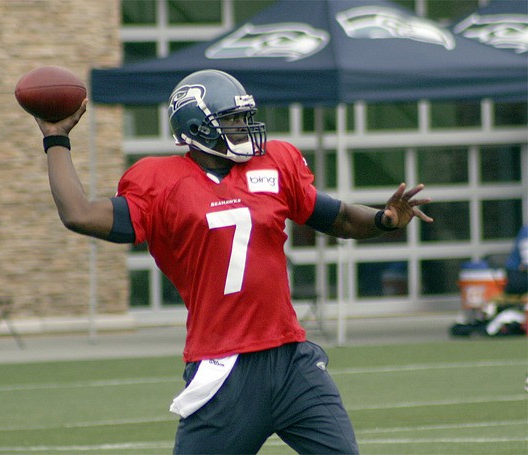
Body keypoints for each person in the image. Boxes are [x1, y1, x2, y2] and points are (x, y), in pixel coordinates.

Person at [33, 69, 433, 454]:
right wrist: (56, 140)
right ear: (195, 128)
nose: (245, 128)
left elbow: (342, 217)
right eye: (233, 120)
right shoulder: (159, 183)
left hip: (291, 359)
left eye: (246, 118)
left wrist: (383, 220)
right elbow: (79, 214)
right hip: (225, 366)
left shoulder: (274, 164)